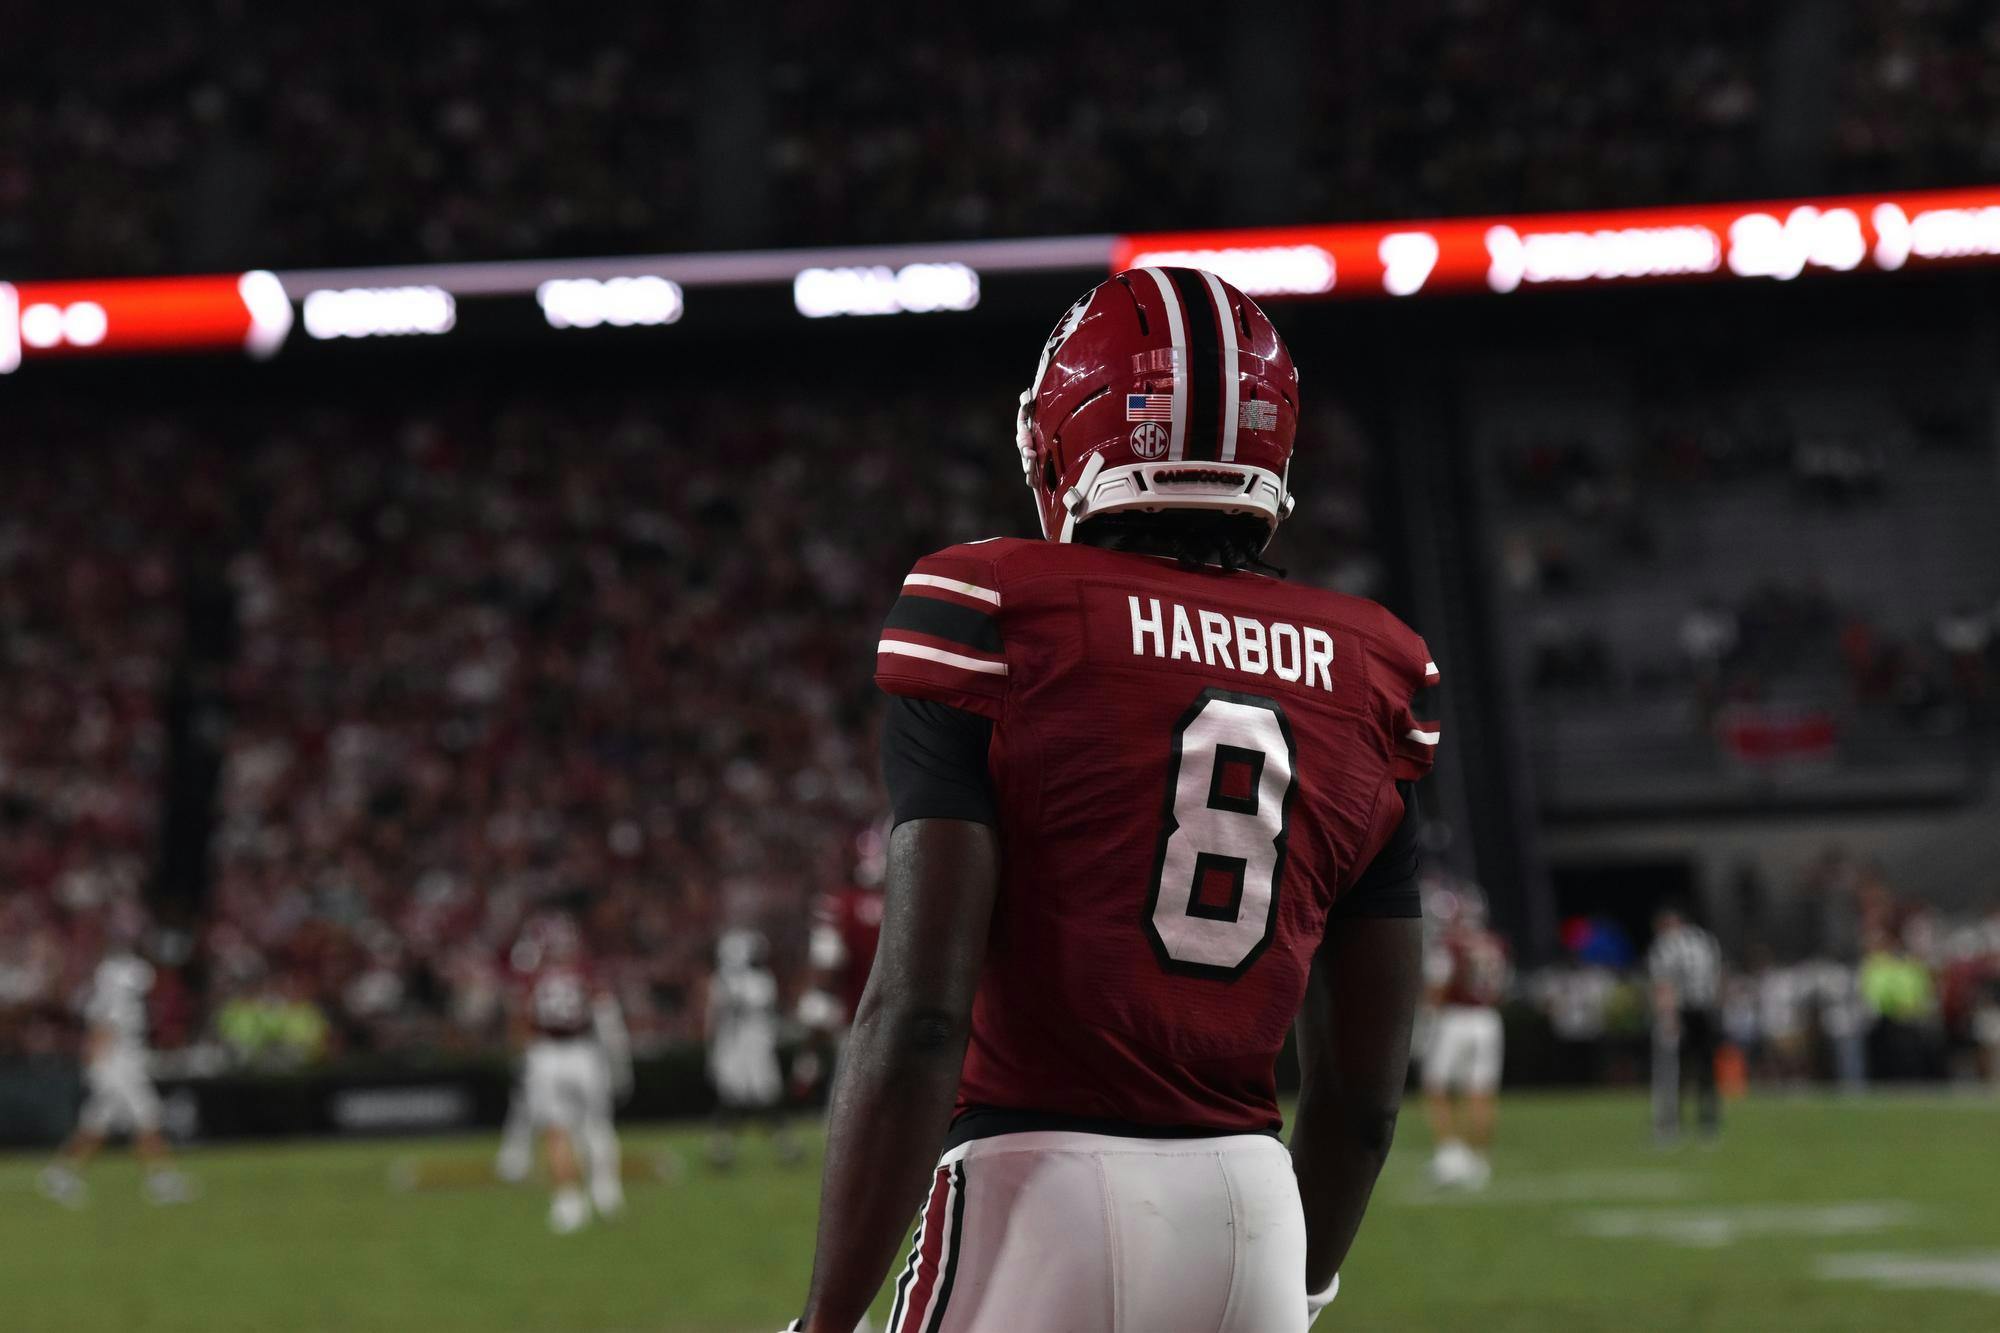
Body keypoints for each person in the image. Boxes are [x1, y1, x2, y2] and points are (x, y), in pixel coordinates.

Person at [790, 268, 1440, 1332]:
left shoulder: (995, 610)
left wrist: (823, 1320)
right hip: (1253, 1209)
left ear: (1064, 438)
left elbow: (915, 1017)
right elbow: (1360, 1096)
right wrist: (1300, 1279)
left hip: (1035, 1180)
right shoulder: (1371, 666)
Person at [39, 946, 194, 1208]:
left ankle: (61, 1172)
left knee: (96, 1125)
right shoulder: (115, 1000)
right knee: (148, 1116)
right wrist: (99, 1074)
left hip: (121, 1066)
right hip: (118, 1070)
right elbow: (99, 1037)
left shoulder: (113, 999)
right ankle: (161, 1180)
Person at [509, 912, 631, 1233]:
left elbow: (523, 1020)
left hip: (546, 1055)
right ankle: (606, 1192)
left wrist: (528, 1055)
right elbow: (606, 1016)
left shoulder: (533, 977)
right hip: (583, 1053)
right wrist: (618, 1062)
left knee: (557, 1131)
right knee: (598, 1125)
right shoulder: (585, 973)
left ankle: (569, 1203)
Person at [1421, 888, 1510, 1189]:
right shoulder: (1495, 944)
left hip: (1455, 1018)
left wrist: (1428, 1015)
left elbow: (1439, 984)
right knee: (1480, 1092)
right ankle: (1479, 1160)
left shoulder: (1450, 944)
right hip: (1488, 1020)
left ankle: (1450, 1155)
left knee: (1436, 1086)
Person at [707, 928, 802, 1167]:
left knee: (767, 1095)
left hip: (757, 1045)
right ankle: (722, 1149)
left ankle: (785, 1146)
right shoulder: (723, 979)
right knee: (732, 1098)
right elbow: (723, 1011)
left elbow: (753, 1006)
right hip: (735, 1045)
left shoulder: (762, 980)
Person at [1647, 902, 1724, 1143]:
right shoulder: (1705, 940)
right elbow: (1718, 977)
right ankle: (1708, 1121)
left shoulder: (1665, 944)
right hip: (1705, 1008)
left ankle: (1670, 1123)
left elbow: (1664, 985)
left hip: (1680, 1009)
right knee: (1706, 1067)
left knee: (1672, 1069)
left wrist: (1668, 1016)